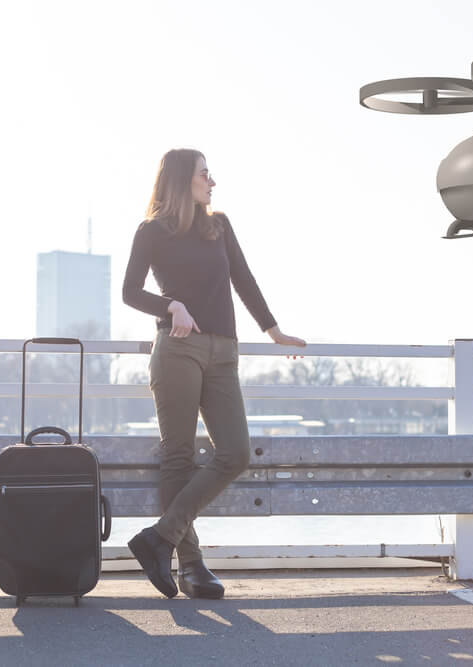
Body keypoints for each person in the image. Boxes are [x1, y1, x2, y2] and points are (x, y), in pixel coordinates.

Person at [122, 148, 306, 599]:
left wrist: (273, 329)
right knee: (179, 456)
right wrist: (171, 304)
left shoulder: (218, 225)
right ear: (184, 178)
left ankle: (158, 538)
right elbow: (130, 291)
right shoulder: (151, 231)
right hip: (178, 351)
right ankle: (191, 566)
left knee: (236, 453)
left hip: (224, 352)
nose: (213, 181)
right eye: (206, 174)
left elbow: (243, 278)